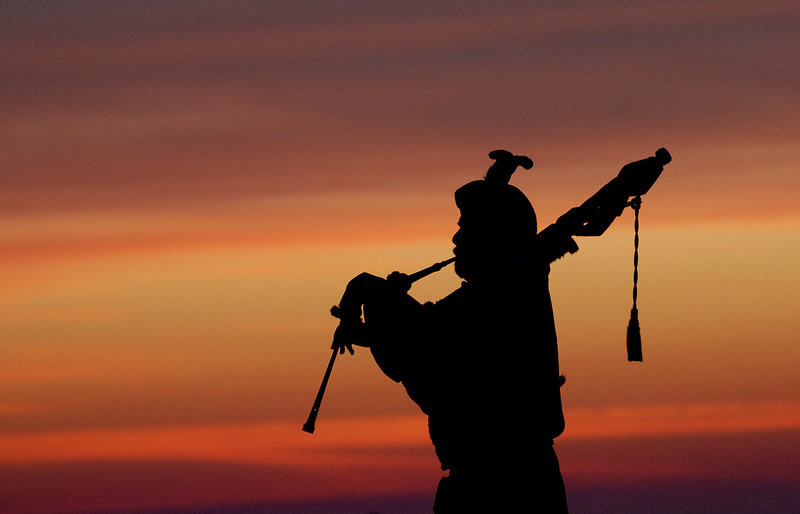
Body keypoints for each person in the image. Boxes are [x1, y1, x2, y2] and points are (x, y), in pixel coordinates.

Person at [330, 149, 659, 512]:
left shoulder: (519, 279)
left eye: (465, 226)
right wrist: (368, 318)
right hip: (477, 482)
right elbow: (424, 341)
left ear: (492, 235)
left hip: (515, 483)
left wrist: (621, 186)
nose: (455, 238)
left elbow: (573, 223)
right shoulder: (470, 299)